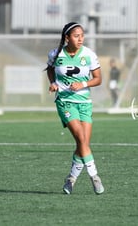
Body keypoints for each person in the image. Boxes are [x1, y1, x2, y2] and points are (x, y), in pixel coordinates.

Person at [46, 22, 104, 195]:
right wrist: (53, 83)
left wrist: (83, 83)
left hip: (85, 103)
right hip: (65, 102)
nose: (80, 39)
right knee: (80, 138)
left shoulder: (89, 54)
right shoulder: (56, 54)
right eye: (76, 36)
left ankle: (71, 179)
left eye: (82, 35)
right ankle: (95, 177)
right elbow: (50, 69)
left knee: (83, 143)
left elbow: (98, 79)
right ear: (67, 38)